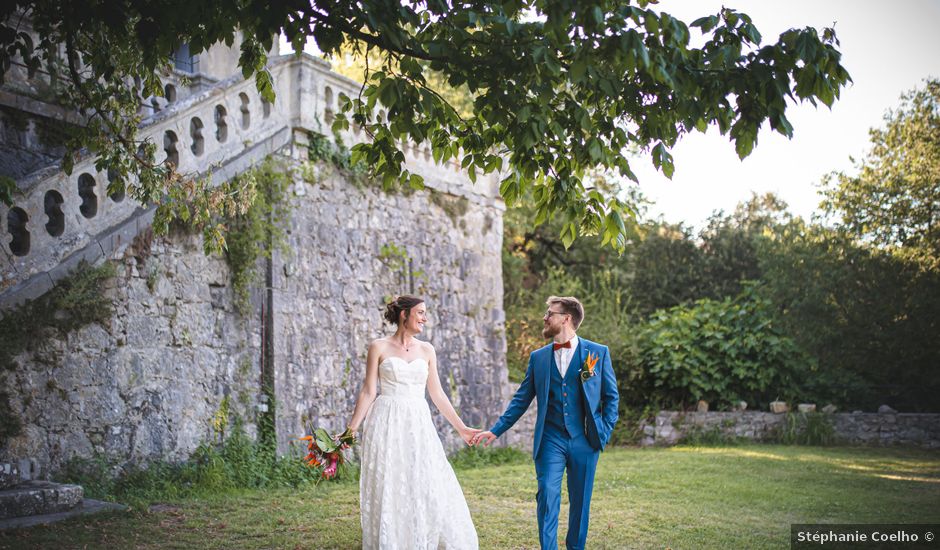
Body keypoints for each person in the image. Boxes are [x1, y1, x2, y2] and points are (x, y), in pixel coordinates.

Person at [472, 296, 619, 550]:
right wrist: (496, 431)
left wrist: (603, 433)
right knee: (548, 497)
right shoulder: (538, 358)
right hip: (550, 439)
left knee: (580, 503)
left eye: (550, 313)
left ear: (566, 318)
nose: (545, 317)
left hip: (585, 440)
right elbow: (521, 400)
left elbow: (611, 397)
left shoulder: (597, 353)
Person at [347, 295, 480, 549]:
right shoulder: (379, 347)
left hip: (417, 421)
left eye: (425, 313)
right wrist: (350, 430)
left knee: (424, 477)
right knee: (390, 479)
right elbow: (368, 391)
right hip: (385, 419)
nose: (425, 318)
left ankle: (421, 534)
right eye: (420, 312)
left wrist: (461, 428)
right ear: (403, 314)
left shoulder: (427, 350)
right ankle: (393, 537)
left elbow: (437, 393)